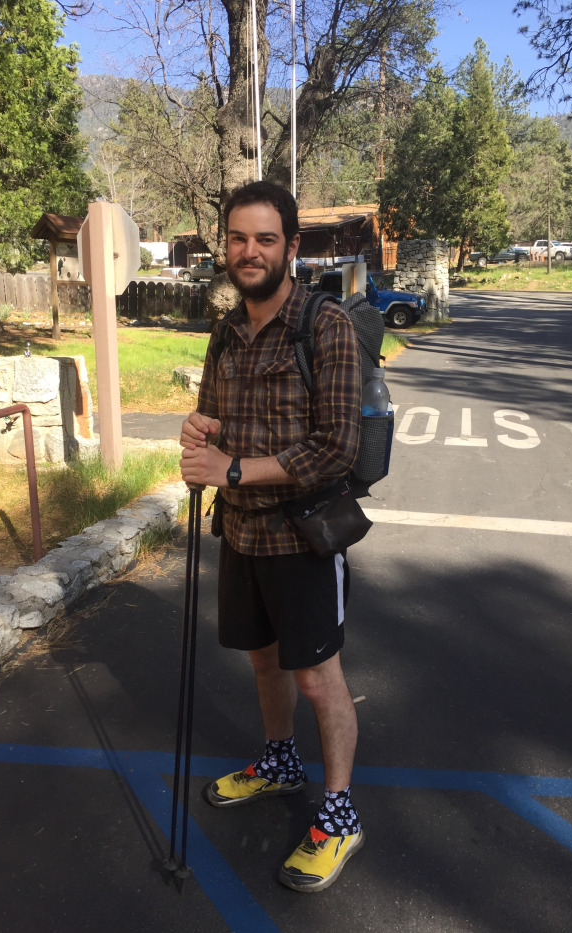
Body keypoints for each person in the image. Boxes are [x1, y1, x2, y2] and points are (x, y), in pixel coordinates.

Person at [179, 180, 364, 893]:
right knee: (263, 664)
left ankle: (340, 813)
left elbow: (336, 448)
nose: (248, 251)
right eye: (237, 238)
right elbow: (211, 415)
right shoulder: (225, 331)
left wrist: (232, 467)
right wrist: (199, 432)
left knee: (319, 678)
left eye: (264, 239)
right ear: (225, 246)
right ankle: (280, 761)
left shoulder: (326, 326)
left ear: (290, 246)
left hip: (305, 537)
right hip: (242, 533)